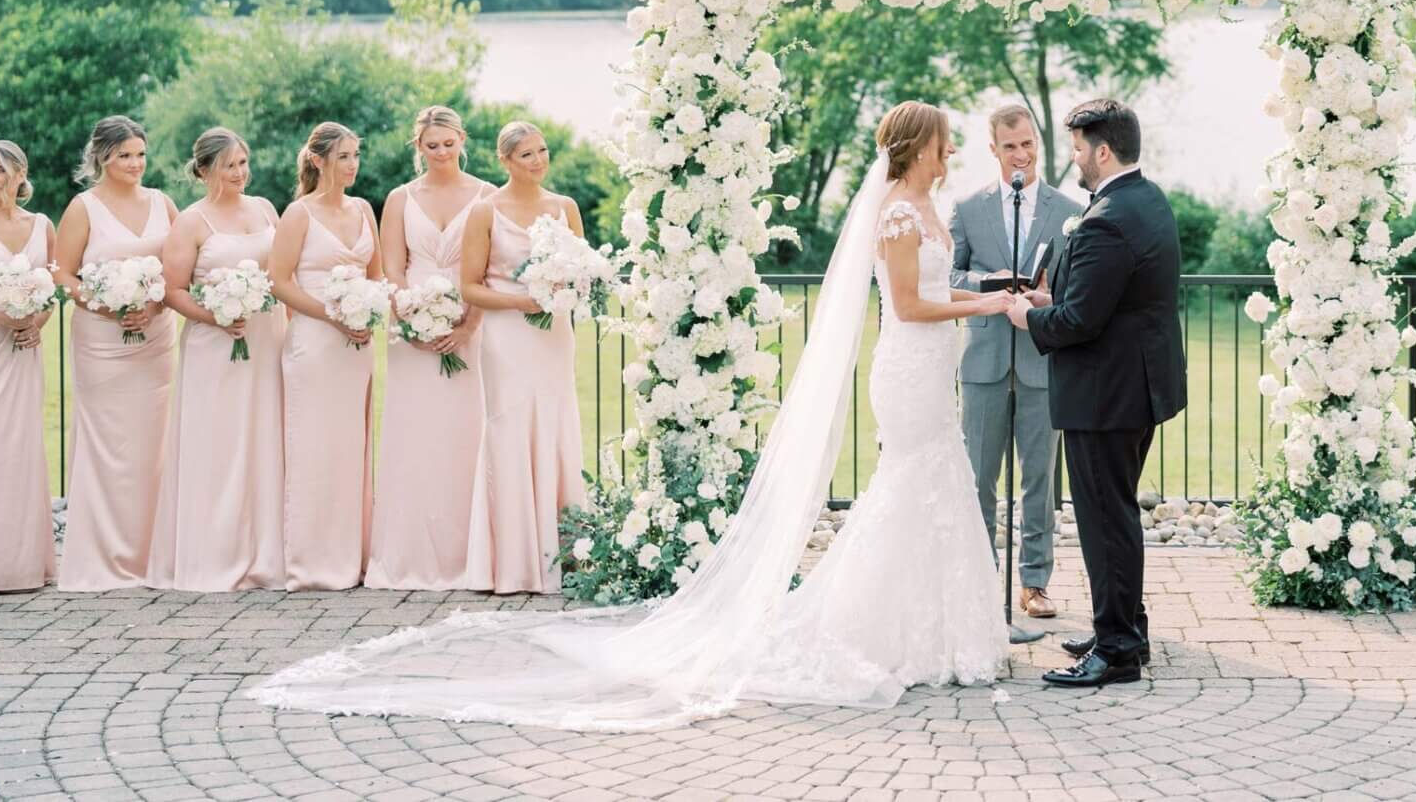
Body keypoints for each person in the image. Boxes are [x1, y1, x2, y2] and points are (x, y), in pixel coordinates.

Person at [253, 100, 1015, 729]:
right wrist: (991, 305)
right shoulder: (896, 213)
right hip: (909, 369)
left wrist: (992, 291)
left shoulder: (921, 206)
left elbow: (929, 290)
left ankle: (936, 626)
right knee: (911, 485)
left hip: (923, 371)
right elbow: (909, 303)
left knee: (928, 484)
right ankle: (895, 628)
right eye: (946, 142)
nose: (952, 152)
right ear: (920, 147)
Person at [1008, 98, 1186, 688]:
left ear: (1102, 150)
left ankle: (1117, 651)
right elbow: (1109, 297)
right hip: (1136, 388)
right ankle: (1126, 626)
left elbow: (1080, 321)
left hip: (1105, 396)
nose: (1075, 159)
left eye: (1079, 148)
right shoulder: (1148, 199)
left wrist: (1028, 316)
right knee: (1117, 514)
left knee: (1106, 520)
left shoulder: (1106, 218)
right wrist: (1052, 299)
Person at [949, 102, 1078, 619]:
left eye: (1027, 144)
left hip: (1041, 359)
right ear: (993, 149)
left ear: (1037, 143)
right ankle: (981, 581)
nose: (1021, 154)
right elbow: (946, 276)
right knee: (978, 478)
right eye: (1010, 146)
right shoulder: (967, 208)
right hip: (983, 361)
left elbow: (1079, 287)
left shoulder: (1068, 210)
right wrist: (989, 283)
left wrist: (1049, 294)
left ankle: (1034, 583)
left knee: (1039, 480)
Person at [148, 128, 288, 590]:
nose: (240, 173)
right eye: (230, 165)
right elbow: (172, 290)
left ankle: (266, 552)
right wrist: (216, 316)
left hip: (265, 340)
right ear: (205, 169)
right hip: (214, 346)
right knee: (219, 442)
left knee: (263, 436)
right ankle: (212, 552)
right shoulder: (191, 221)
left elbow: (282, 273)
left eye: (243, 162)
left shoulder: (265, 209)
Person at [367, 105, 493, 591]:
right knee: (414, 436)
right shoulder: (400, 198)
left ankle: (467, 555)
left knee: (464, 434)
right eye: (431, 145)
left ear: (463, 140)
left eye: (448, 143)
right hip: (410, 333)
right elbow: (392, 268)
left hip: (468, 326)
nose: (441, 152)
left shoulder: (486, 195)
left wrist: (468, 325)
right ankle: (410, 554)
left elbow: (490, 268)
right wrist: (410, 318)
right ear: (417, 146)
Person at [459, 122, 585, 595]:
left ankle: (565, 553)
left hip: (553, 336)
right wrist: (520, 302)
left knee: (556, 428)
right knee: (509, 430)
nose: (538, 160)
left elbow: (582, 274)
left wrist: (566, 289)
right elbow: (469, 286)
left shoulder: (565, 207)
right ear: (505, 161)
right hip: (506, 337)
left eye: (542, 150)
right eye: (527, 154)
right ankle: (511, 562)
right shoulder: (484, 212)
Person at [56, 116, 179, 591]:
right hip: (102, 342)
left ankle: (154, 552)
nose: (135, 163)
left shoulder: (162, 203)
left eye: (140, 154)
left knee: (153, 443)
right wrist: (103, 302)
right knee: (109, 444)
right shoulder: (83, 208)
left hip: (155, 339)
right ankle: (103, 554)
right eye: (125, 155)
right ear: (102, 157)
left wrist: (153, 304)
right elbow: (62, 273)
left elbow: (180, 269)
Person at [270, 122, 383, 591]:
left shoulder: (364, 209)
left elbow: (377, 275)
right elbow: (279, 282)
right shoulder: (299, 214)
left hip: (356, 346)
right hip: (314, 344)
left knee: (351, 447)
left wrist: (369, 310)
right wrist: (333, 315)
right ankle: (311, 561)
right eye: (343, 157)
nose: (353, 165)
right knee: (314, 446)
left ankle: (352, 555)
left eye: (356, 155)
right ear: (318, 161)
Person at [0, 140, 57, 592]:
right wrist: (0, 317)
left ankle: (19, 562)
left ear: (20, 174)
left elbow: (50, 290)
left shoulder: (41, 226)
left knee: (19, 448)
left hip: (22, 353)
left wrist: (35, 322)